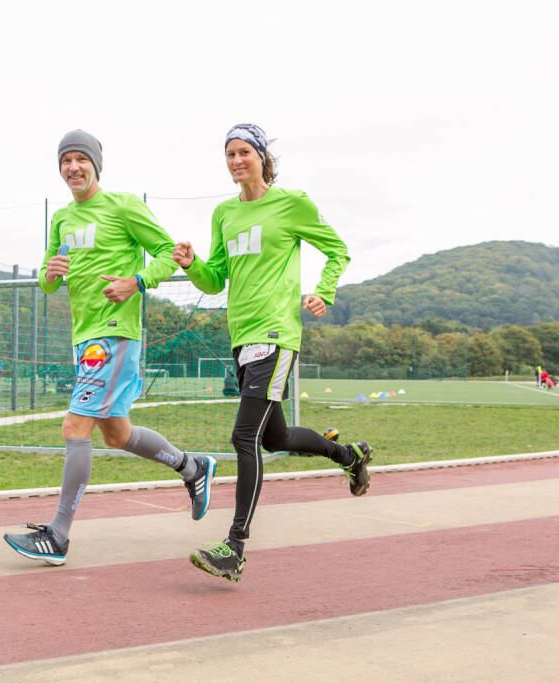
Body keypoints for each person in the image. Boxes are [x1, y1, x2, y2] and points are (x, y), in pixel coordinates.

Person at [3, 129, 217, 566]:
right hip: (84, 336)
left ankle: (58, 536)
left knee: (74, 426)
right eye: (66, 161)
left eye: (81, 159)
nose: (73, 167)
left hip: (114, 333)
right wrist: (50, 273)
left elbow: (167, 252)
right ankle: (192, 467)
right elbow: (47, 281)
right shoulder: (62, 219)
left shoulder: (123, 206)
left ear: (96, 165)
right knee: (116, 434)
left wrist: (136, 282)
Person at [172, 123, 373, 582]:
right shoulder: (224, 213)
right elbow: (215, 280)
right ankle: (349, 456)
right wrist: (192, 264)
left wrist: (324, 292)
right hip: (241, 337)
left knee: (243, 438)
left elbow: (337, 250)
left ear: (262, 157)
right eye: (230, 154)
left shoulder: (291, 203)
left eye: (244, 152)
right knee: (274, 438)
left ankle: (235, 547)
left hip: (277, 335)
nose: (236, 161)